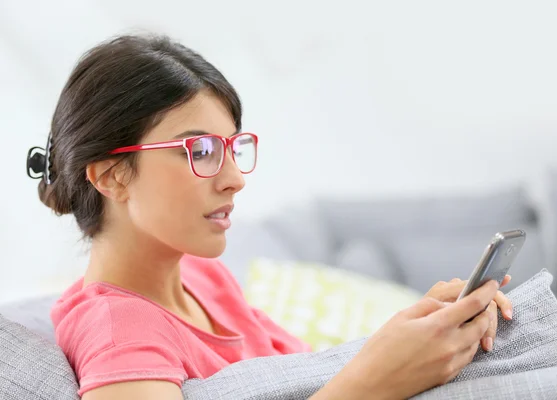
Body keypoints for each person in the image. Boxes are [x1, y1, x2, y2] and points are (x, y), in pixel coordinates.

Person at [26, 34, 513, 400]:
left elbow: (305, 374)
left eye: (234, 147)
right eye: (200, 149)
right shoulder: (119, 329)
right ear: (111, 176)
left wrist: (412, 332)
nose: (235, 178)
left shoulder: (203, 277)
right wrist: (372, 384)